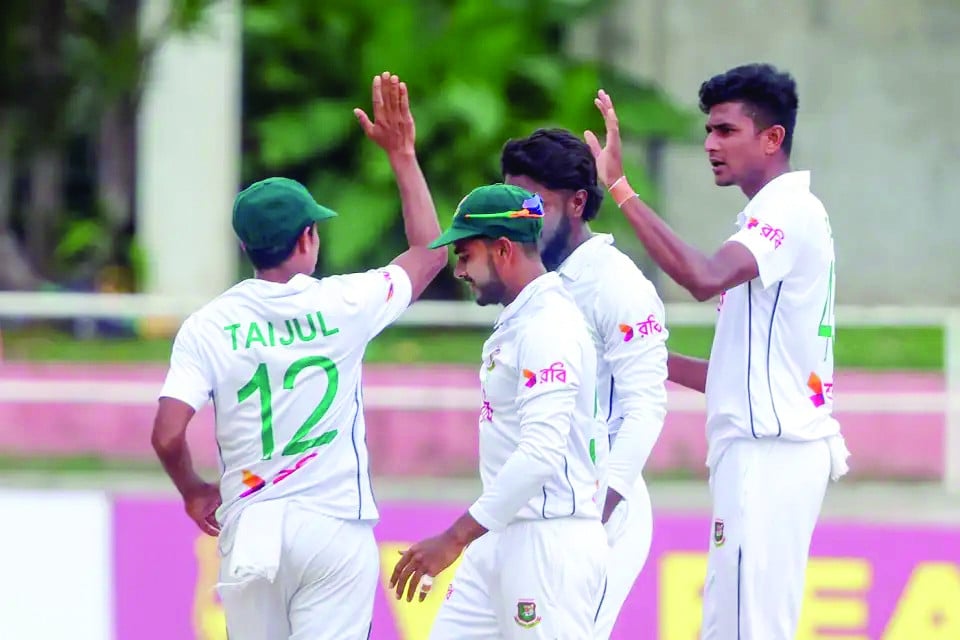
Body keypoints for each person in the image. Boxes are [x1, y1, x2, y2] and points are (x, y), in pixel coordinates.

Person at [149, 72, 446, 640]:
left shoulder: (208, 325)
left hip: (253, 526)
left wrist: (193, 490)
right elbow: (428, 254)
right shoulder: (345, 303)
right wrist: (402, 154)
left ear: (246, 247)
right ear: (308, 237)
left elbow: (166, 434)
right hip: (335, 526)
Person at [583, 63, 851, 639]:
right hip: (764, 455)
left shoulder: (788, 210)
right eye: (708, 130)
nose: (710, 144)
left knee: (747, 631)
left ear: (772, 138)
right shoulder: (771, 215)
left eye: (726, 130)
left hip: (770, 456)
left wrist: (619, 188)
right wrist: (639, 357)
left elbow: (703, 278)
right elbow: (741, 372)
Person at [390, 183, 609, 639]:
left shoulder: (549, 326)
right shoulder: (522, 320)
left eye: (466, 254)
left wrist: (453, 538)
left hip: (548, 542)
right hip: (500, 534)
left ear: (503, 249)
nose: (459, 269)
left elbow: (540, 454)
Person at [500, 128, 668, 638]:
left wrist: (592, 515)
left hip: (599, 511)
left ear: (577, 202)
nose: (520, 219)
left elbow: (645, 409)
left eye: (534, 205)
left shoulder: (617, 284)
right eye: (513, 204)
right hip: (532, 507)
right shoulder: (526, 281)